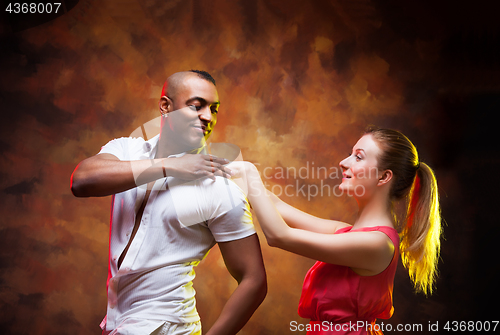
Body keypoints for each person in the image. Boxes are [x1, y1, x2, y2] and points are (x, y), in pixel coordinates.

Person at [71, 70, 267, 335]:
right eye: (197, 106)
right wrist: (172, 166)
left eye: (214, 109)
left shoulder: (217, 185)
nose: (208, 117)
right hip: (117, 323)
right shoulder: (126, 150)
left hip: (169, 326)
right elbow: (81, 181)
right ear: (166, 107)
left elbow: (254, 280)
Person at [232, 126, 442, 334]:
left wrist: (249, 171)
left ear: (383, 177)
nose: (344, 162)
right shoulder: (347, 233)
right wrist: (230, 169)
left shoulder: (377, 244)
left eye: (358, 157)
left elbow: (279, 236)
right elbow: (276, 206)